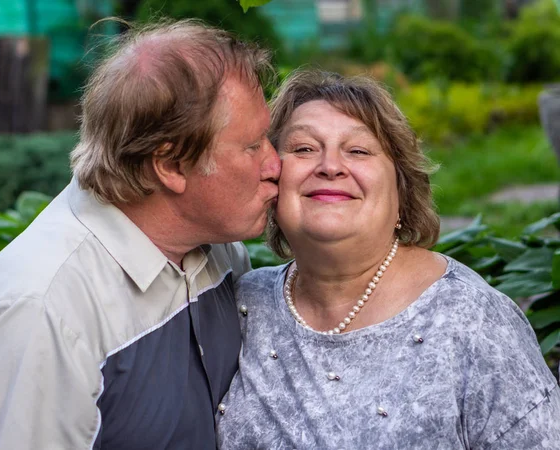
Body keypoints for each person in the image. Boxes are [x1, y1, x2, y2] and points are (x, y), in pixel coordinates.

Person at [0, 19, 280, 449]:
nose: (276, 165)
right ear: (170, 166)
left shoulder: (217, 249)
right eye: (253, 146)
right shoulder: (40, 313)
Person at [216, 70, 560, 449]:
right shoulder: (242, 303)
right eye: (303, 149)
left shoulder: (474, 321)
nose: (330, 166)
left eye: (359, 151)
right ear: (272, 179)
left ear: (402, 189)